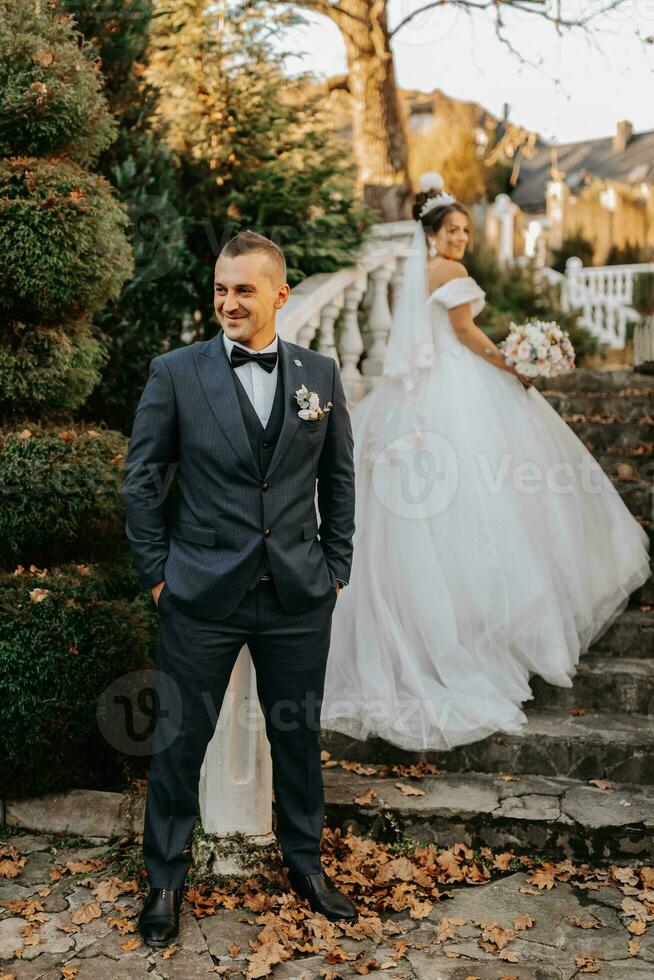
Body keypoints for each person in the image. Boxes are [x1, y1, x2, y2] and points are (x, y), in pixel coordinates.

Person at [321, 174, 651, 753]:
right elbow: (467, 334)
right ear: (432, 232)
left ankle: (446, 631)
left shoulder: (416, 272)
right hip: (456, 387)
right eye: (452, 230)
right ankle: (484, 638)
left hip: (417, 393)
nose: (461, 240)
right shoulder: (449, 275)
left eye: (467, 232)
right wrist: (513, 364)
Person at [123, 230, 357, 947]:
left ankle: (306, 863)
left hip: (296, 594)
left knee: (297, 735)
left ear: (280, 295)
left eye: (243, 290)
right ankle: (165, 880)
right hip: (199, 594)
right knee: (178, 742)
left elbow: (338, 479)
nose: (228, 301)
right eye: (221, 288)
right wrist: (160, 578)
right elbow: (142, 481)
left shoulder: (319, 372)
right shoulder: (176, 372)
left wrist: (335, 570)